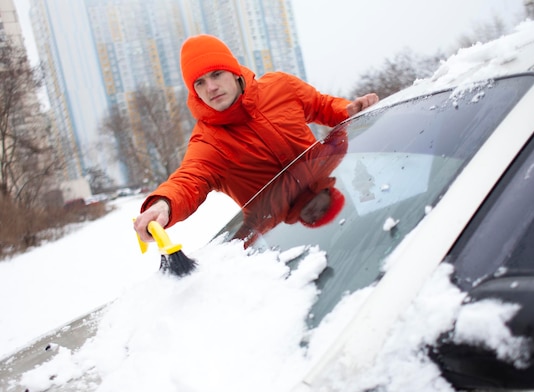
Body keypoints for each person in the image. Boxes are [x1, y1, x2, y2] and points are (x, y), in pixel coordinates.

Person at [134, 34, 378, 243]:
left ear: (234, 72)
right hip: (279, 242)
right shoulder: (208, 142)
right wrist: (164, 204)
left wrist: (349, 110)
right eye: (200, 82)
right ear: (194, 91)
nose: (211, 87)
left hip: (350, 225)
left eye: (216, 74)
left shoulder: (282, 87)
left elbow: (324, 106)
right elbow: (189, 179)